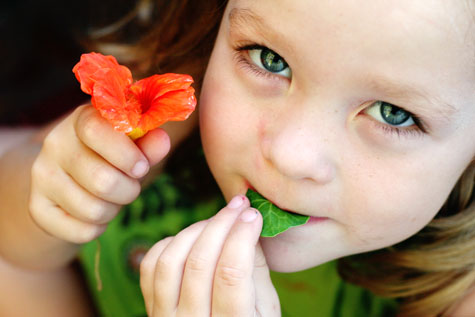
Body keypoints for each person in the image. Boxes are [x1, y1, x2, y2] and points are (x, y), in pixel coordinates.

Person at [0, 0, 474, 316]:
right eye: (270, 59)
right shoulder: (176, 108)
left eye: (393, 114)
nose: (291, 154)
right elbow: (11, 241)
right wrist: (55, 197)